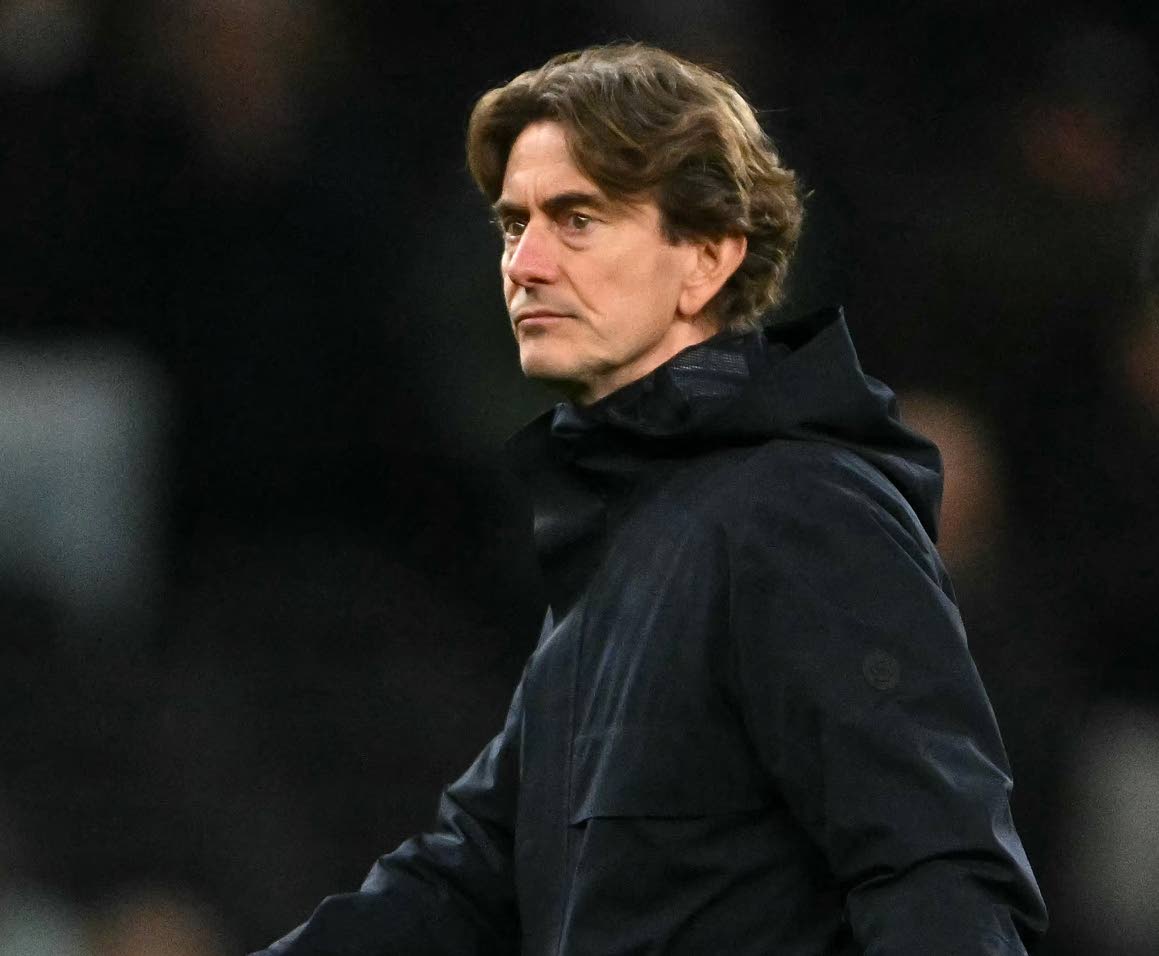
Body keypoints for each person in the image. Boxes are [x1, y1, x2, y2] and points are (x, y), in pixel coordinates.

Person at [253, 43, 1047, 955]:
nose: (524, 264)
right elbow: (465, 878)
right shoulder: (627, 536)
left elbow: (936, 874)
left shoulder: (800, 512)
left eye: (577, 220)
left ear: (705, 257)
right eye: (512, 226)